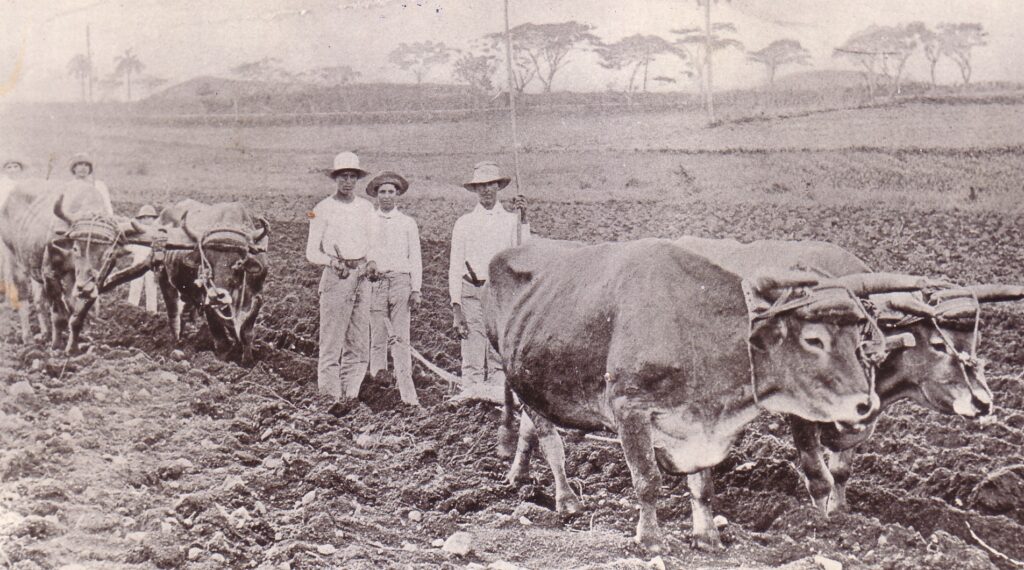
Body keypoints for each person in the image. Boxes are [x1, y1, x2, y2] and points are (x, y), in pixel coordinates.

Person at [448, 161, 529, 401]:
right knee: (472, 348)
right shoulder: (464, 223)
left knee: (497, 352)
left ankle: (495, 400)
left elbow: (523, 250)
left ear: (498, 187)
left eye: (490, 184)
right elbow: (455, 266)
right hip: (471, 290)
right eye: (481, 186)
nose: (486, 190)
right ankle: (470, 398)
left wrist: (523, 219)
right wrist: (456, 306)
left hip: (497, 293)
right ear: (475, 189)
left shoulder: (509, 221)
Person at [306, 151, 380, 402]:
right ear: (335, 178)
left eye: (352, 177)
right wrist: (332, 261)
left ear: (357, 179)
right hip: (337, 276)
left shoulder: (367, 208)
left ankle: (351, 394)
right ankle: (329, 396)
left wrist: (370, 262)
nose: (348, 181)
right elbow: (311, 252)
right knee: (332, 340)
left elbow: (372, 243)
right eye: (343, 176)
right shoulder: (321, 209)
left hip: (361, 275)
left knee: (359, 339)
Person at [365, 171, 422, 407]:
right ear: (376, 195)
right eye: (382, 192)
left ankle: (405, 390)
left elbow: (415, 258)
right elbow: (364, 250)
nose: (386, 196)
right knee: (377, 336)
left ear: (397, 195)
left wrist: (416, 289)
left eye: (391, 192)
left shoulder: (407, 223)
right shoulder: (368, 221)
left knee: (400, 336)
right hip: (376, 282)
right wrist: (370, 264)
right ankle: (378, 383)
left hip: (401, 283)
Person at [0, 158, 25, 304]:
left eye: (16, 166)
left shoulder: (24, 184)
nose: (13, 169)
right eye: (9, 167)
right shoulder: (3, 184)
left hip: (22, 225)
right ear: (5, 170)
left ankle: (22, 290)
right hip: (6, 223)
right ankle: (5, 290)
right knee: (5, 258)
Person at [126, 204, 160, 313]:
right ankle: (131, 309)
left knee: (151, 288)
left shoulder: (157, 232)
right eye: (144, 218)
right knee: (135, 286)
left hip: (152, 265)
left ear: (153, 219)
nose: (146, 220)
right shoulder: (137, 232)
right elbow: (129, 245)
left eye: (149, 217)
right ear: (140, 220)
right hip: (138, 262)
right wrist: (131, 250)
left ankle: (152, 312)